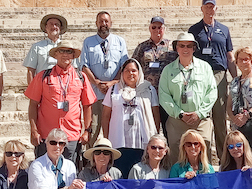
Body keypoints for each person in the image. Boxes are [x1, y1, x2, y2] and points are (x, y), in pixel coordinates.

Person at [25, 40, 96, 164]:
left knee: (69, 173)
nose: (65, 55)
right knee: (44, 171)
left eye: (69, 52)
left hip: (72, 135)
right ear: (55, 54)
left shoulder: (81, 77)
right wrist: (34, 130)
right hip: (46, 134)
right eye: (61, 51)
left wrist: (87, 131)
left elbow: (87, 105)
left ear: (73, 56)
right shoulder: (43, 76)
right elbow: (33, 104)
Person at [158, 33, 218, 163]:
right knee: (176, 157)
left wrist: (199, 113)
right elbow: (164, 96)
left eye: (189, 46)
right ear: (176, 48)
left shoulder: (205, 68)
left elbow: (212, 92)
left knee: (204, 156)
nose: (185, 49)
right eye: (182, 45)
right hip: (177, 122)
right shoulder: (168, 70)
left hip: (201, 121)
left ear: (194, 48)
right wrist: (180, 114)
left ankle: (204, 182)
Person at [188, 0, 235, 155]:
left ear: (216, 9)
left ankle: (224, 158)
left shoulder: (224, 29)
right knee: (203, 117)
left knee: (220, 118)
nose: (209, 9)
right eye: (206, 6)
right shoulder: (194, 30)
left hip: (219, 75)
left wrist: (236, 79)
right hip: (201, 75)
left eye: (212, 6)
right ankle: (204, 158)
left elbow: (229, 55)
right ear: (202, 9)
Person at [101, 58, 161, 177]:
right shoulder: (114, 90)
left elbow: (155, 115)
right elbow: (106, 116)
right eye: (127, 71)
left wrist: (155, 136)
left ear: (139, 73)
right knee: (120, 174)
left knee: (139, 175)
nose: (130, 74)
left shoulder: (149, 89)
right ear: (122, 73)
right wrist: (107, 139)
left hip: (141, 142)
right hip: (118, 141)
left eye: (134, 70)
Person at [80, 11, 129, 143]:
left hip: (114, 93)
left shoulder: (119, 42)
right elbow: (84, 66)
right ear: (96, 23)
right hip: (95, 94)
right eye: (101, 21)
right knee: (93, 129)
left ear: (111, 23)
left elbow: (124, 66)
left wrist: (112, 83)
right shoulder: (88, 42)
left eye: (106, 21)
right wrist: (96, 83)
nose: (104, 24)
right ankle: (89, 160)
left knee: (114, 129)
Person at [132, 16, 178, 93]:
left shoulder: (172, 46)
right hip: (147, 88)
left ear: (164, 29)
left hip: (167, 89)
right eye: (154, 27)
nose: (157, 30)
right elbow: (134, 65)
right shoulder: (142, 47)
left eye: (160, 27)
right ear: (150, 29)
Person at [23, 13, 69, 82]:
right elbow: (31, 70)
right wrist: (32, 90)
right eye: (51, 24)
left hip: (63, 86)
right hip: (42, 86)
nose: (54, 26)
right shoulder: (37, 47)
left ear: (60, 28)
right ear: (46, 28)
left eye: (57, 24)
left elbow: (75, 69)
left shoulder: (67, 47)